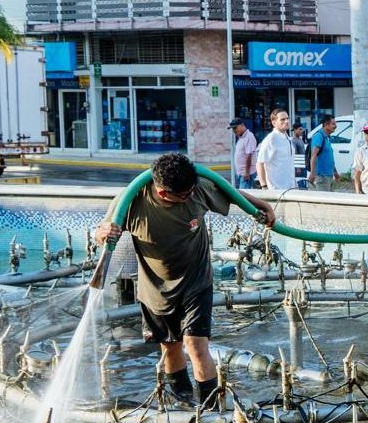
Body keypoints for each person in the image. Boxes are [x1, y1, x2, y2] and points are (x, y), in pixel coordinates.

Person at [94, 153, 277, 406]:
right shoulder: (132, 201)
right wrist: (103, 233)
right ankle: (184, 403)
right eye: (183, 195)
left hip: (196, 280)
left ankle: (211, 408)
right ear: (162, 193)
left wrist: (262, 206)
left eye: (192, 191)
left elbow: (229, 192)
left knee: (196, 345)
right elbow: (101, 235)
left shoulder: (197, 189)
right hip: (156, 289)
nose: (190, 197)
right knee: (170, 347)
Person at [256, 108, 298, 190]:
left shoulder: (287, 138)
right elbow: (260, 163)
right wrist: (264, 186)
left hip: (291, 187)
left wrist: (294, 183)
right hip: (276, 189)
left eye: (287, 118)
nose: (286, 121)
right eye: (282, 119)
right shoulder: (271, 139)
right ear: (274, 123)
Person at [307, 114, 341, 191]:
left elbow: (329, 158)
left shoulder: (327, 138)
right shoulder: (319, 136)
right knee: (322, 198)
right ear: (326, 125)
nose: (335, 126)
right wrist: (312, 173)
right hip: (321, 177)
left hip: (328, 176)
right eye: (333, 124)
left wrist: (335, 172)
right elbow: (313, 155)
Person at [229, 117, 257, 189]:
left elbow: (249, 155)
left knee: (244, 194)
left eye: (235, 128)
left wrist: (247, 172)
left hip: (247, 174)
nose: (234, 130)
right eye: (232, 129)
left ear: (242, 125)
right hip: (241, 174)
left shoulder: (249, 137)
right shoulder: (241, 138)